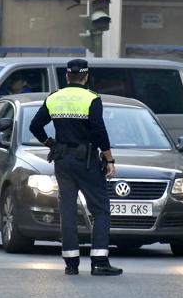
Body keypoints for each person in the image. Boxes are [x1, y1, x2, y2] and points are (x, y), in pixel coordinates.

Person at [29, 58, 122, 276]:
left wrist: (49, 143)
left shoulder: (54, 97)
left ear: (67, 76)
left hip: (62, 161)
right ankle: (99, 261)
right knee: (100, 209)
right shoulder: (92, 98)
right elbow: (99, 131)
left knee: (68, 211)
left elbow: (35, 126)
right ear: (86, 76)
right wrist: (109, 159)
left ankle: (71, 263)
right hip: (86, 161)